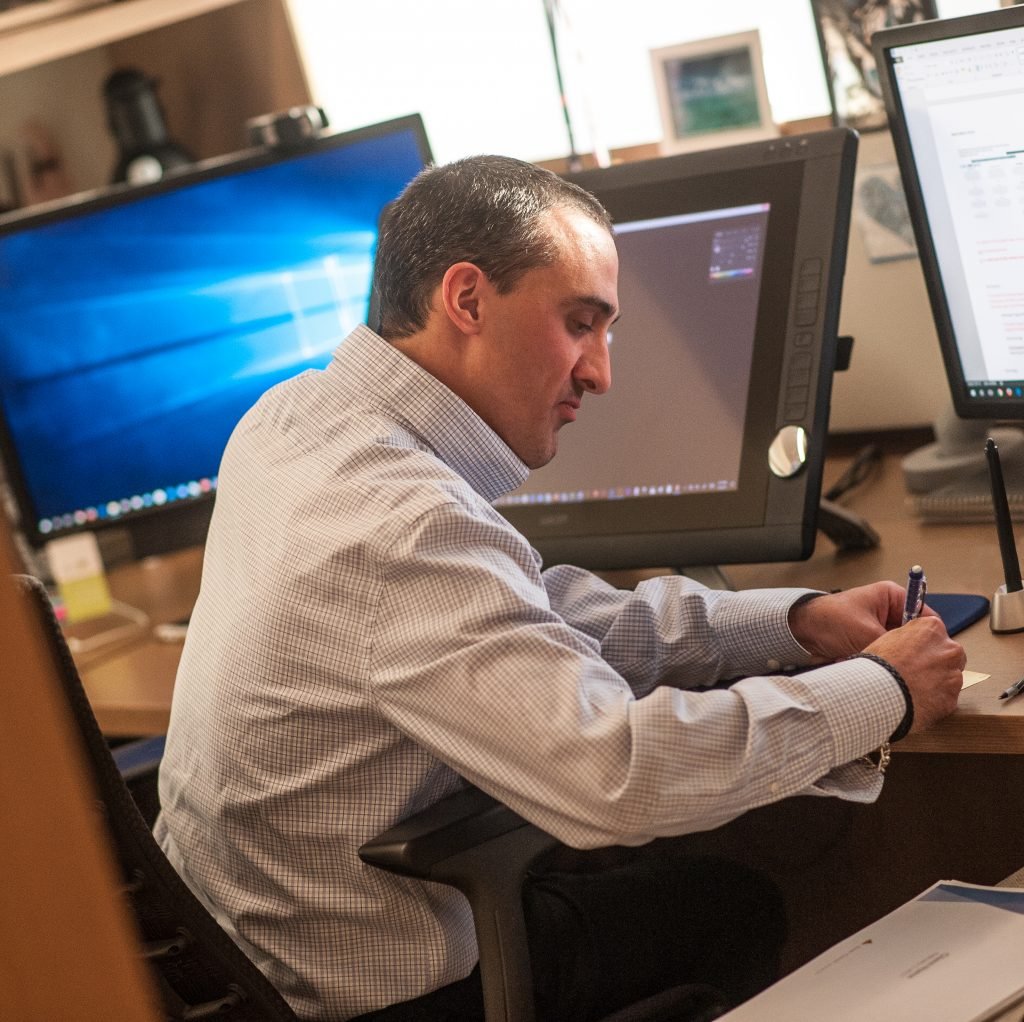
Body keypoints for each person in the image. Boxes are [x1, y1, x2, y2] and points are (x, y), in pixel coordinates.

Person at [155, 154, 965, 1021]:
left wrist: (793, 622)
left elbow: (528, 608)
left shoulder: (296, 418)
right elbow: (623, 773)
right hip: (360, 997)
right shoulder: (401, 522)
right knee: (733, 907)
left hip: (229, 963)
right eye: (580, 323)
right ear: (466, 300)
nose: (600, 372)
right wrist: (883, 692)